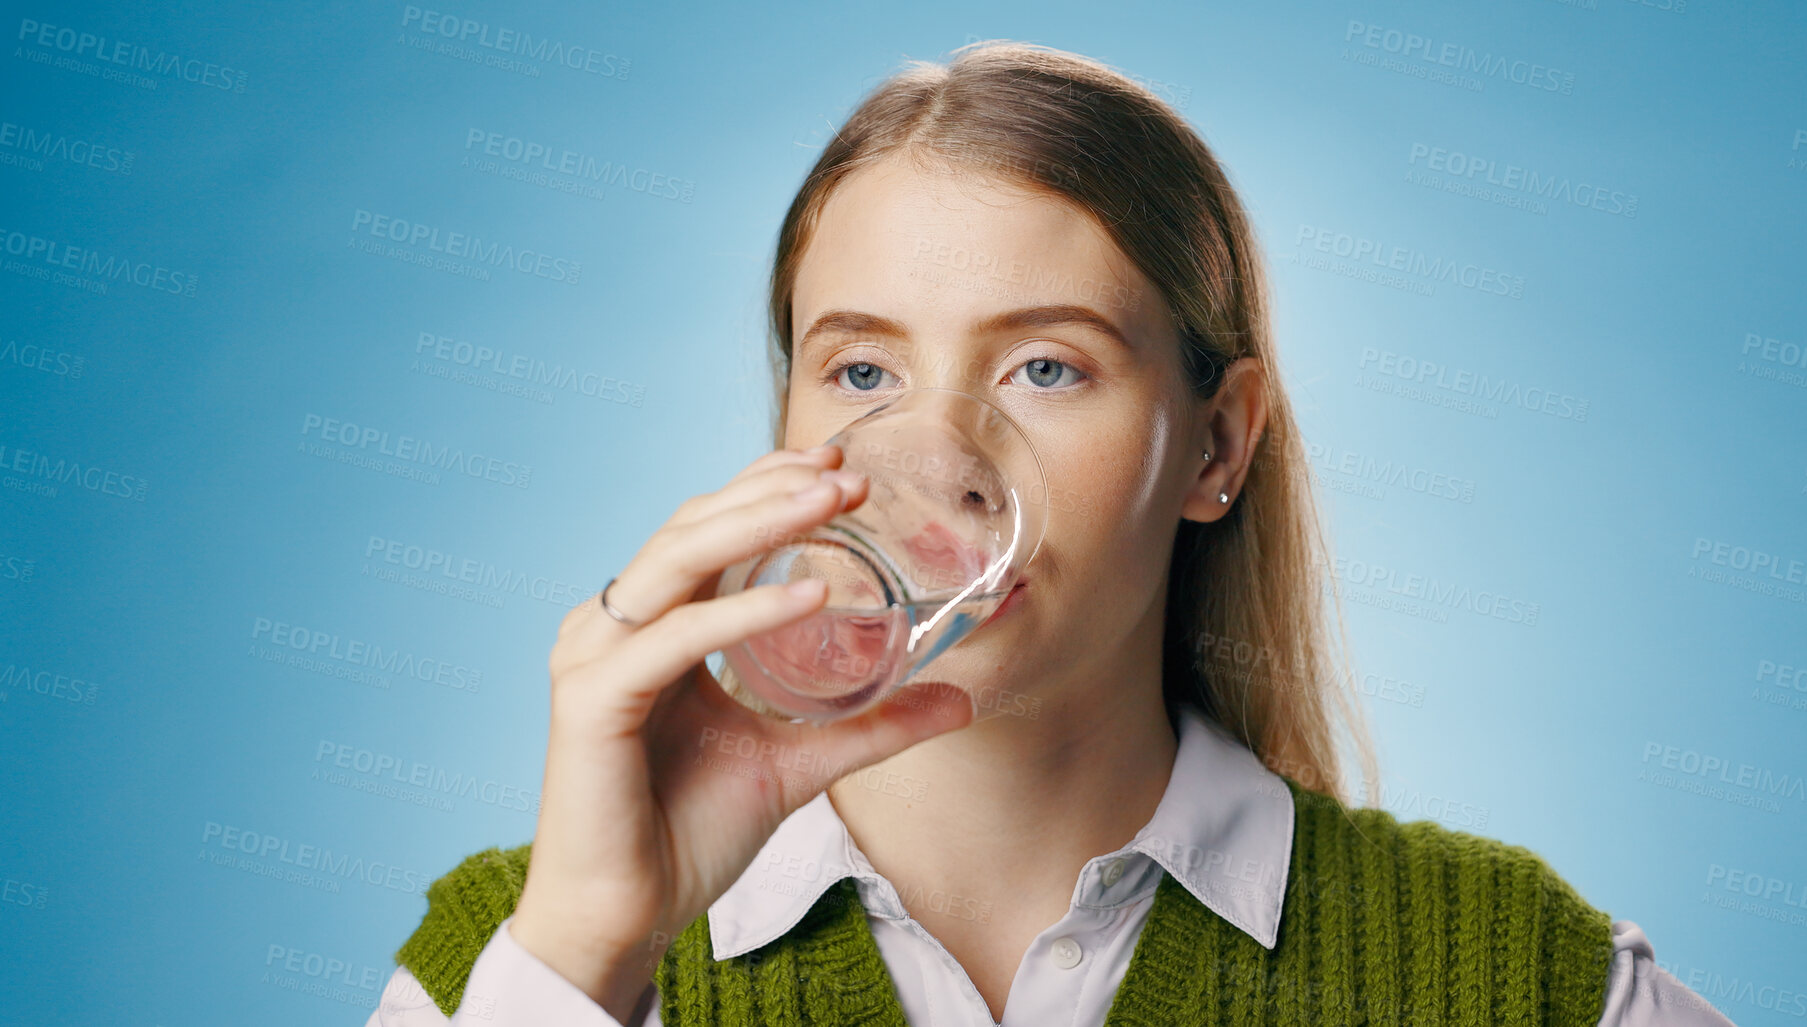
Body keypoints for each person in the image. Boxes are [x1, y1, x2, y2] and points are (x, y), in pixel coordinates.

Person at [365, 41, 1737, 1027]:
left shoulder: (1515, 980)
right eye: (862, 371)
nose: (942, 463)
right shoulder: (520, 962)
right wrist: (585, 954)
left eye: (1046, 369)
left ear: (1216, 446)